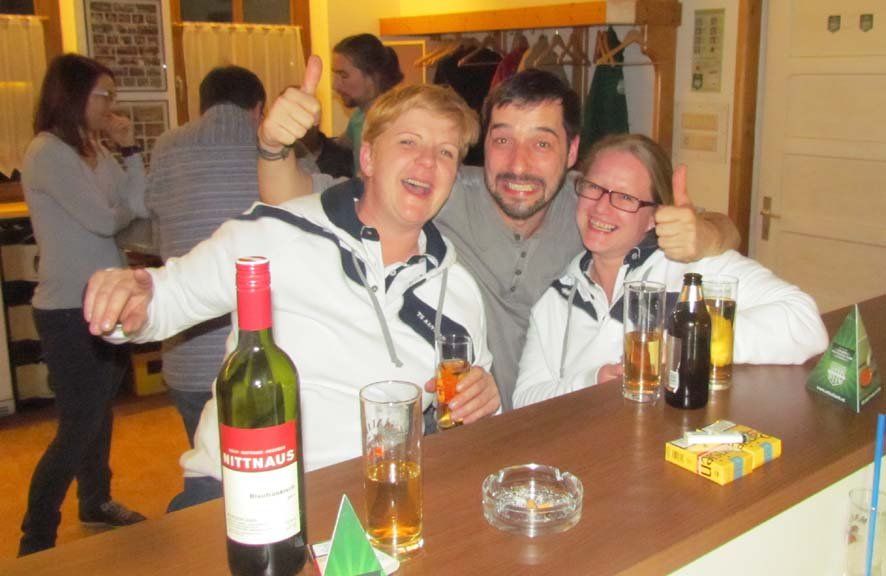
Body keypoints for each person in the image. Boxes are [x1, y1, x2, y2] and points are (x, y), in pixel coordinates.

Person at [83, 75, 501, 510]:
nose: (427, 162)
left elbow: (473, 408)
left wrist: (486, 400)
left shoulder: (459, 292)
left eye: (446, 152)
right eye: (409, 142)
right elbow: (167, 298)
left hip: (377, 500)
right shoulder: (275, 233)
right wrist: (130, 299)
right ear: (368, 157)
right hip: (242, 491)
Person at [258, 67, 741, 411]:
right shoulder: (440, 192)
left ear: (572, 151)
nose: (518, 164)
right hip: (462, 429)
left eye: (542, 143)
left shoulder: (593, 208)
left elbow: (721, 230)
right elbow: (294, 199)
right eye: (503, 139)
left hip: (558, 421)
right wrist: (274, 146)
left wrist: (702, 234)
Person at [513, 134, 828, 407]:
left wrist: (679, 343)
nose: (601, 207)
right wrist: (591, 380)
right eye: (594, 188)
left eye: (625, 197)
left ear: (654, 217)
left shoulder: (689, 269)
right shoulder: (557, 298)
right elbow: (525, 400)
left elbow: (804, 322)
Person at [18, 54, 148, 556]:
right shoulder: (47, 153)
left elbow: (136, 204)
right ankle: (36, 538)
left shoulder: (93, 150)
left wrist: (130, 150)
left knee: (99, 414)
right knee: (78, 424)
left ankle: (95, 501)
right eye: (103, 96)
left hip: (103, 302)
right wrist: (119, 209)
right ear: (73, 96)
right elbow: (103, 219)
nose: (111, 105)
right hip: (67, 309)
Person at [145, 66, 267, 448]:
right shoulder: (274, 151)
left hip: (188, 352)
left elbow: (156, 225)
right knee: (262, 461)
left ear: (203, 105)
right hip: (260, 355)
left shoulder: (167, 147)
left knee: (206, 461)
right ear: (258, 108)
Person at [326, 33, 404, 176]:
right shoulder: (359, 116)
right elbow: (341, 144)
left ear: (373, 76)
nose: (335, 85)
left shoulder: (395, 121)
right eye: (335, 75)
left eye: (344, 75)